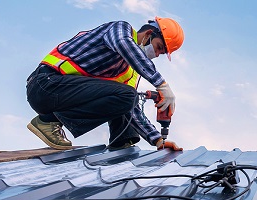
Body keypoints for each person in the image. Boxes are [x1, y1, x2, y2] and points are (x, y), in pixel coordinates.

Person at [26, 17, 184, 152]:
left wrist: (157, 140)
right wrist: (162, 85)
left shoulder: (128, 70)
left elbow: (131, 107)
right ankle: (48, 121)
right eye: (158, 47)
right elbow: (124, 45)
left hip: (64, 95)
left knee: (128, 97)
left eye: (160, 54)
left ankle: (121, 142)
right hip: (45, 85)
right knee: (128, 94)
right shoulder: (120, 30)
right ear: (149, 34)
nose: (156, 55)